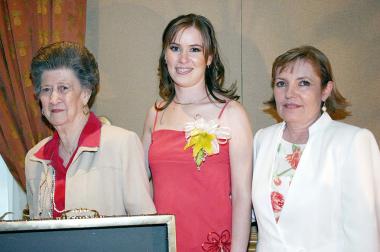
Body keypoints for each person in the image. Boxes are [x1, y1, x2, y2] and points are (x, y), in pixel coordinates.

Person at [252, 45, 380, 251]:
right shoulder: (262, 139)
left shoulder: (353, 141)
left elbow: (364, 238)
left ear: (326, 90)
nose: (289, 93)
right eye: (281, 83)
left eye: (303, 83)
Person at [142, 14, 253, 251]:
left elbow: (243, 196)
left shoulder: (231, 113)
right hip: (162, 243)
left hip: (212, 241)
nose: (183, 59)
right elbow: (139, 186)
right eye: (175, 48)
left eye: (194, 49)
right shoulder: (155, 113)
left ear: (209, 58)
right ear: (165, 55)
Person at [26, 41, 156, 219]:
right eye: (46, 90)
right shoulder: (34, 159)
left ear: (85, 94)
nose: (53, 98)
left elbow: (146, 229)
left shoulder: (121, 145)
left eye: (64, 88)